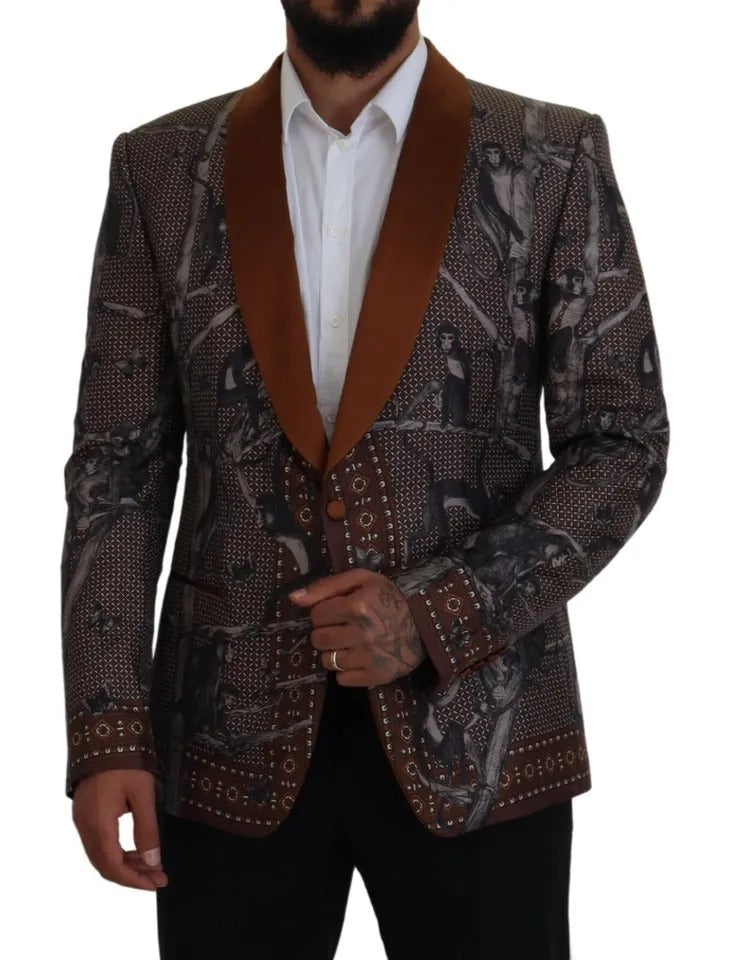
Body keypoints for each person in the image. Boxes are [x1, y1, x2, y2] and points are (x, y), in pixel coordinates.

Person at [60, 2, 670, 957]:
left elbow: (622, 440)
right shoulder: (161, 166)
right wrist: (107, 728)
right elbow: (118, 467)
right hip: (221, 744)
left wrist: (436, 612)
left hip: (484, 738)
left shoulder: (553, 155)